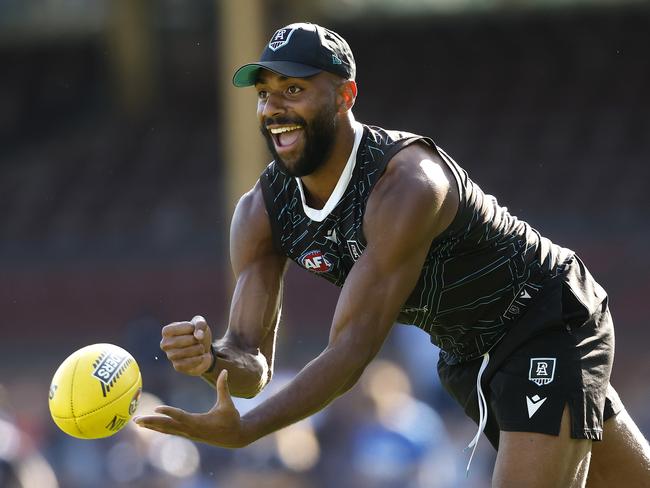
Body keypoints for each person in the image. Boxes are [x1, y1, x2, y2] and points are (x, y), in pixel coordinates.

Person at [134, 22, 650, 486]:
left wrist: (247, 430)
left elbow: (351, 351)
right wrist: (211, 360)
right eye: (265, 94)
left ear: (345, 96)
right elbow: (251, 363)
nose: (273, 109)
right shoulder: (260, 213)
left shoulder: (406, 183)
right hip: (468, 356)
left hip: (544, 316)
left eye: (293, 90)